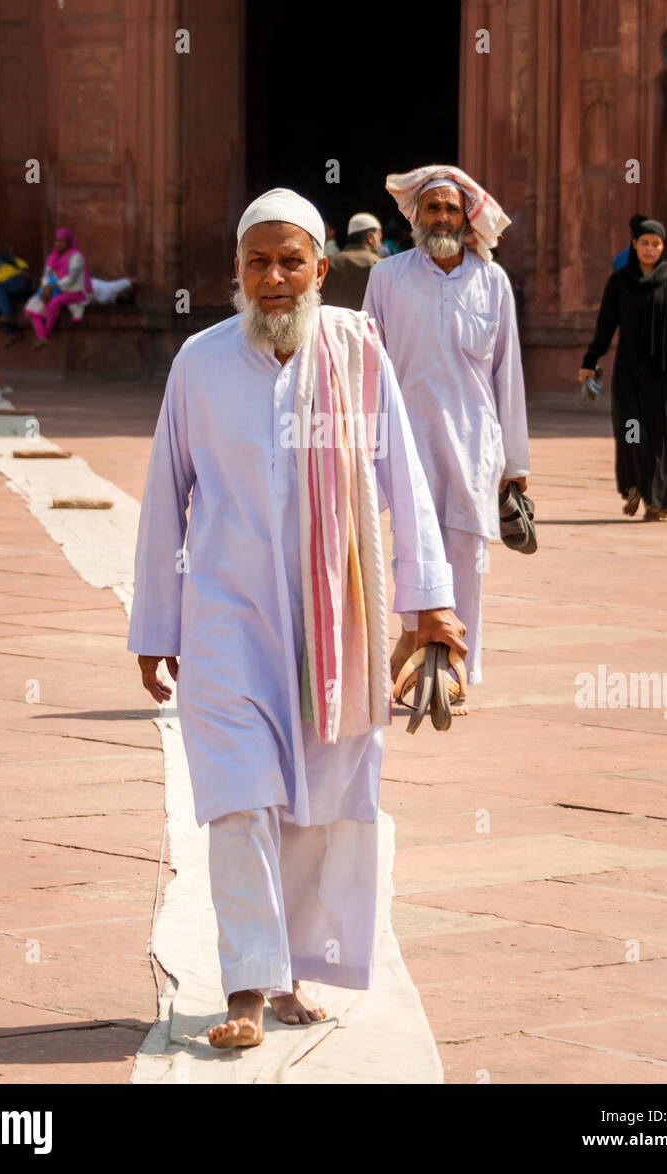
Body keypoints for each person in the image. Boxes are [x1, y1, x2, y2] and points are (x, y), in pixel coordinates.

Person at [127, 187, 466, 1051]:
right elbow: (167, 497)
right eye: (257, 262)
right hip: (227, 623)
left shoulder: (357, 352)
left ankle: (293, 974)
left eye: (291, 261)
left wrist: (428, 602)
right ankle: (246, 981)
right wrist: (155, 627)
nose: (274, 279)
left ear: (321, 268)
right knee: (238, 800)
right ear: (235, 272)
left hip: (335, 625)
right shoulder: (199, 364)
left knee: (317, 805)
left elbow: (403, 482)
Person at [363, 164, 530, 701]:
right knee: (413, 551)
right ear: (416, 215)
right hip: (407, 441)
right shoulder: (387, 278)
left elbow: (508, 373)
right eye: (432, 207)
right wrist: (364, 444)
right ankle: (413, 656)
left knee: (466, 560)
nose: (441, 216)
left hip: (475, 444)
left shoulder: (492, 281)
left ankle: (454, 672)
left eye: (450, 209)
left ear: (466, 218)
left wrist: (516, 466)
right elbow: (367, 365)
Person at [578, 219, 667, 521]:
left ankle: (658, 499)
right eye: (644, 242)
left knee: (663, 435)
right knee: (632, 432)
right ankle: (635, 484)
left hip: (665, 374)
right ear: (634, 244)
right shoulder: (620, 281)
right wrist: (589, 361)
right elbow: (605, 326)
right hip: (630, 374)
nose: (650, 249)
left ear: (663, 247)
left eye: (656, 244)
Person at [24, 228, 93, 348]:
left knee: (54, 303)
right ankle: (42, 337)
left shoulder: (76, 257)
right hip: (55, 289)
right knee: (34, 306)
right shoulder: (52, 257)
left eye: (62, 241)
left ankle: (45, 335)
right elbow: (46, 275)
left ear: (69, 242)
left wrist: (52, 286)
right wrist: (46, 287)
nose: (58, 244)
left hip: (75, 291)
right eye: (57, 240)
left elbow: (72, 278)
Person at [321, 212, 382, 309]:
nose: (381, 245)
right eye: (380, 239)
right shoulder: (379, 264)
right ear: (370, 238)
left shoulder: (328, 262)